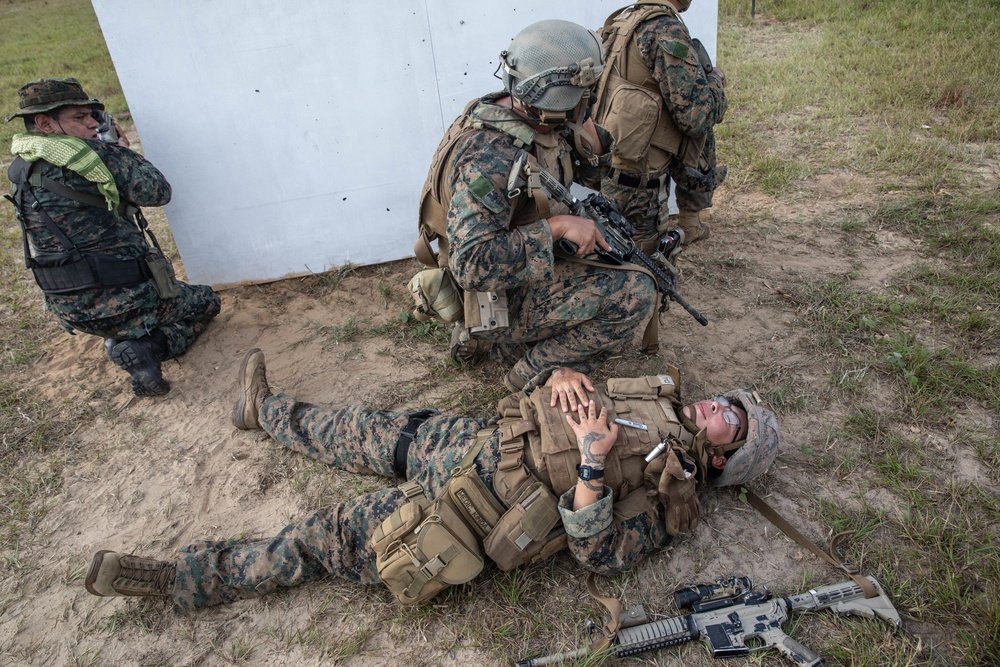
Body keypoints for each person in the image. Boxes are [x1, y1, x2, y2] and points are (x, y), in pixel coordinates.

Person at [84, 347, 779, 609]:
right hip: (473, 441)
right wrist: (562, 374)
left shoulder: (676, 493)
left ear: (724, 460)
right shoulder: (659, 400)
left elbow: (600, 554)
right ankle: (263, 411)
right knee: (362, 428)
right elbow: (560, 388)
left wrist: (594, 461)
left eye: (732, 420)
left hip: (469, 511)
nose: (717, 407)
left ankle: (179, 579)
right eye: (727, 401)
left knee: (322, 538)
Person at [413, 19, 657, 393]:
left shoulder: (529, 115)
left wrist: (582, 118)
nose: (592, 97)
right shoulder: (491, 158)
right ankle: (526, 370)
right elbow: (472, 265)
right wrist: (557, 228)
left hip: (511, 275)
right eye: (586, 93)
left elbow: (594, 174)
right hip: (490, 296)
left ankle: (495, 343)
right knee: (635, 292)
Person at [4, 78, 220, 396]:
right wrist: (121, 152)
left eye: (92, 115)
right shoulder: (93, 156)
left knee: (128, 313)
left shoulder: (19, 168)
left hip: (70, 307)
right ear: (45, 123)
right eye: (80, 117)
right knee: (207, 302)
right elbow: (158, 192)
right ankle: (148, 346)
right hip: (128, 299)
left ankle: (121, 335)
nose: (93, 123)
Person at [592, 0, 728, 252]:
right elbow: (697, 118)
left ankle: (689, 221)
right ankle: (686, 223)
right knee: (643, 262)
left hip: (612, 164)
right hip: (640, 185)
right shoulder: (665, 28)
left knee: (616, 249)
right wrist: (716, 82)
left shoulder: (626, 19)